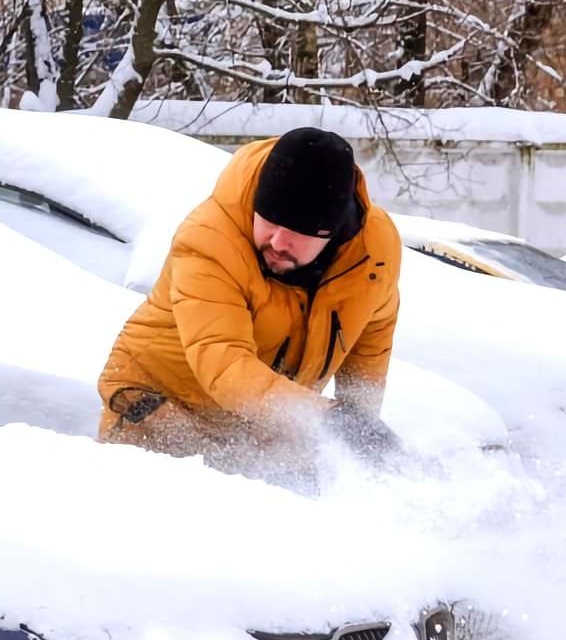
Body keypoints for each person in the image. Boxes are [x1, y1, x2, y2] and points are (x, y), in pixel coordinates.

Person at [97, 127, 403, 482]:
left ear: (332, 232)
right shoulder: (209, 240)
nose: (278, 241)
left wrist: (360, 432)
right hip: (161, 407)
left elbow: (372, 337)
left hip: (263, 424)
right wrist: (324, 418)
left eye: (298, 232)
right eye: (269, 220)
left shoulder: (372, 251)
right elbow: (223, 361)